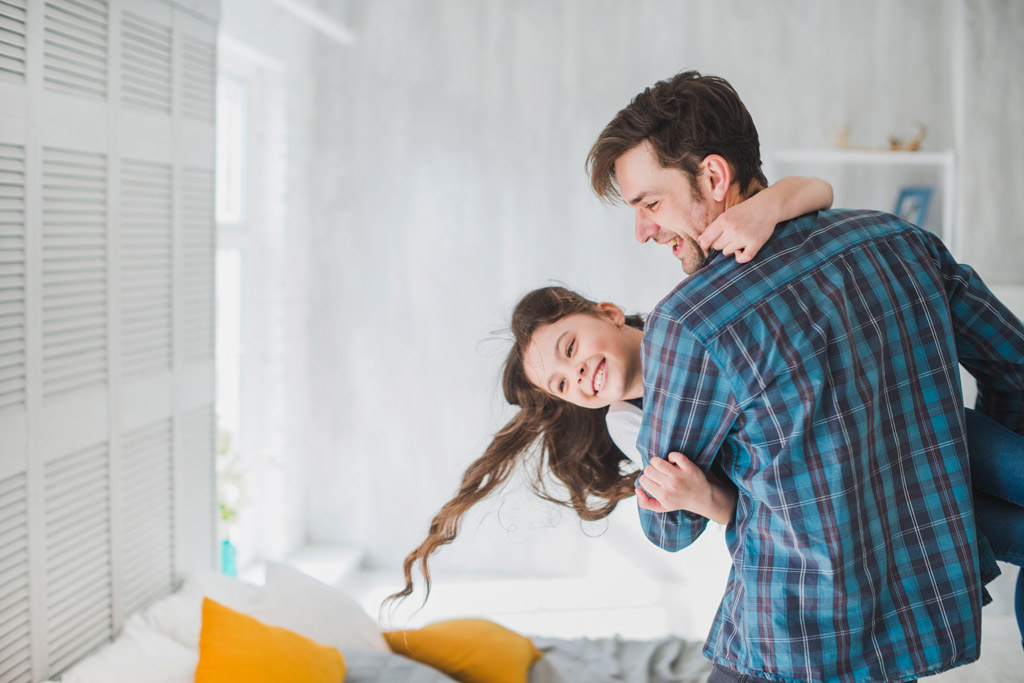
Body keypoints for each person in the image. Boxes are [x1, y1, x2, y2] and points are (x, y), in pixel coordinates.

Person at [584, 70, 1024, 682]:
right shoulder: (900, 240)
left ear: (713, 177)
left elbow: (671, 526)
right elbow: (1015, 364)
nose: (643, 229)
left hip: (794, 634)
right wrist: (967, 489)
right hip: (914, 611)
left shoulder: (691, 323)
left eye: (650, 204)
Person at [383, 175, 834, 609]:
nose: (576, 373)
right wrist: (699, 497)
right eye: (561, 384)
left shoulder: (689, 318)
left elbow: (820, 190)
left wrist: (768, 207)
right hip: (792, 523)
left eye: (571, 347)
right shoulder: (628, 423)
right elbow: (741, 509)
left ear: (610, 313)